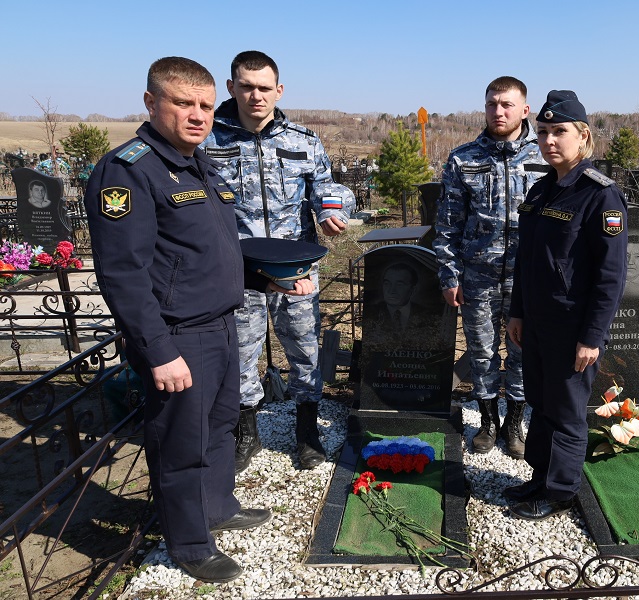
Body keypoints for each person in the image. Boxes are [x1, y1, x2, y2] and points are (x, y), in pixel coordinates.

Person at [84, 57, 271, 583]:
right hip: (179, 336)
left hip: (221, 326)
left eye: (206, 105)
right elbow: (124, 273)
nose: (197, 115)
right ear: (151, 103)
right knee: (180, 443)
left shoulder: (198, 163)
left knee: (218, 427)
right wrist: (158, 349)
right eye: (182, 103)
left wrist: (264, 279)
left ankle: (216, 507)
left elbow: (202, 254)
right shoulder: (129, 170)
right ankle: (189, 543)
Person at [202, 51, 355, 472]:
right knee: (239, 354)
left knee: (304, 350)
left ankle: (306, 431)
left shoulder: (303, 140)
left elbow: (326, 187)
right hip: (239, 271)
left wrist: (329, 212)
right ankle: (246, 433)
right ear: (231, 88)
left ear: (279, 90)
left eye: (264, 88)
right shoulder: (208, 140)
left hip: (295, 271)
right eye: (247, 86)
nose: (256, 95)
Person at [505, 90, 628, 520]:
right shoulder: (542, 190)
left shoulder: (600, 196)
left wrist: (592, 337)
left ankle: (559, 493)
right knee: (541, 401)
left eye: (560, 131)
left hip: (572, 328)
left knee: (567, 412)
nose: (549, 140)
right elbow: (527, 260)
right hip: (537, 321)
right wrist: (517, 311)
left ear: (583, 136)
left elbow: (611, 276)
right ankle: (540, 478)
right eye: (542, 132)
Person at [433, 76, 548, 459]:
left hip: (527, 279)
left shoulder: (545, 156)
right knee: (481, 353)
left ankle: (514, 424)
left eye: (507, 105)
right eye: (492, 104)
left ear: (525, 110)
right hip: (478, 277)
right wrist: (449, 275)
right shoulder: (464, 158)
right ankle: (488, 422)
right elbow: (447, 224)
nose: (498, 112)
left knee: (521, 353)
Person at [370, 262, 427, 333]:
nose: (391, 291)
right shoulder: (370, 312)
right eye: (387, 284)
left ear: (413, 289)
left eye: (399, 285)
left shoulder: (426, 315)